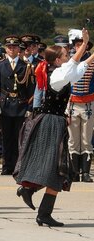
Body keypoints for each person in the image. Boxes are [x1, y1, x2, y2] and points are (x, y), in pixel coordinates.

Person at [14, 28, 94, 227]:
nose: (69, 56)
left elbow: (80, 67)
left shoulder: (61, 72)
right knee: (59, 169)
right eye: (65, 55)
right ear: (58, 60)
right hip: (50, 123)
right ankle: (40, 207)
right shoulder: (57, 74)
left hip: (55, 122)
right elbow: (75, 65)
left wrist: (92, 54)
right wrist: (84, 43)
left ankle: (34, 197)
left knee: (57, 169)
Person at [0, 35, 35, 175]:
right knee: (6, 137)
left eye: (15, 47)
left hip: (21, 105)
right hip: (5, 106)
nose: (12, 49)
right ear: (5, 49)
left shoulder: (26, 66)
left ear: (19, 49)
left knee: (20, 137)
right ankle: (7, 165)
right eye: (9, 47)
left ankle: (19, 166)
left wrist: (30, 108)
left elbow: (31, 90)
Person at [66, 29, 94, 183]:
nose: (79, 47)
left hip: (89, 104)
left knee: (86, 140)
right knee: (73, 140)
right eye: (77, 45)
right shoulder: (69, 62)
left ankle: (86, 173)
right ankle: (74, 172)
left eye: (82, 44)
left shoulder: (92, 62)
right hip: (72, 104)